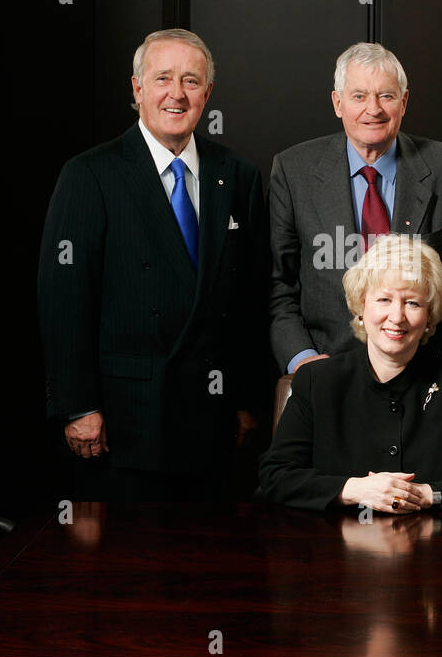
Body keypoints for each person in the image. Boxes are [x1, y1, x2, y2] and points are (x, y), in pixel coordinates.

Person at [37, 28, 269, 500]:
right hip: (125, 420)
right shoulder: (90, 174)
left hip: (213, 417)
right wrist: (78, 406)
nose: (177, 94)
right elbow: (63, 298)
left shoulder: (238, 176)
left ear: (207, 93)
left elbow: (251, 300)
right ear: (137, 88)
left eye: (191, 80)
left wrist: (246, 400)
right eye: (163, 78)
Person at [269, 42, 442, 377]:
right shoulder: (293, 171)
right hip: (329, 372)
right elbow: (278, 285)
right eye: (359, 96)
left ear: (404, 102)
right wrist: (302, 360)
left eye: (386, 96)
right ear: (338, 103)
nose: (372, 109)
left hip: (431, 371)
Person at [260, 235, 442, 513]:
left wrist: (429, 494)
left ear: (430, 316)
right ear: (361, 307)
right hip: (335, 549)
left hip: (440, 549)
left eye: (412, 303)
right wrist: (354, 490)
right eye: (384, 299)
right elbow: (275, 477)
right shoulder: (317, 380)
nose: (397, 316)